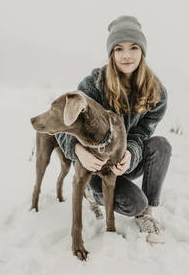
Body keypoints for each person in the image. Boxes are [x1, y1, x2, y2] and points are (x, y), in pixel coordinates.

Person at [55, 15, 172, 243]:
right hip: (97, 167)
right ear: (111, 53)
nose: (126, 55)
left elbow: (143, 133)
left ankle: (147, 214)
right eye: (119, 49)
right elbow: (64, 123)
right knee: (134, 203)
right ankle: (92, 192)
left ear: (142, 51)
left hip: (126, 162)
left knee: (161, 145)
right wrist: (79, 152)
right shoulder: (93, 85)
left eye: (133, 47)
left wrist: (130, 153)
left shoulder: (156, 92)